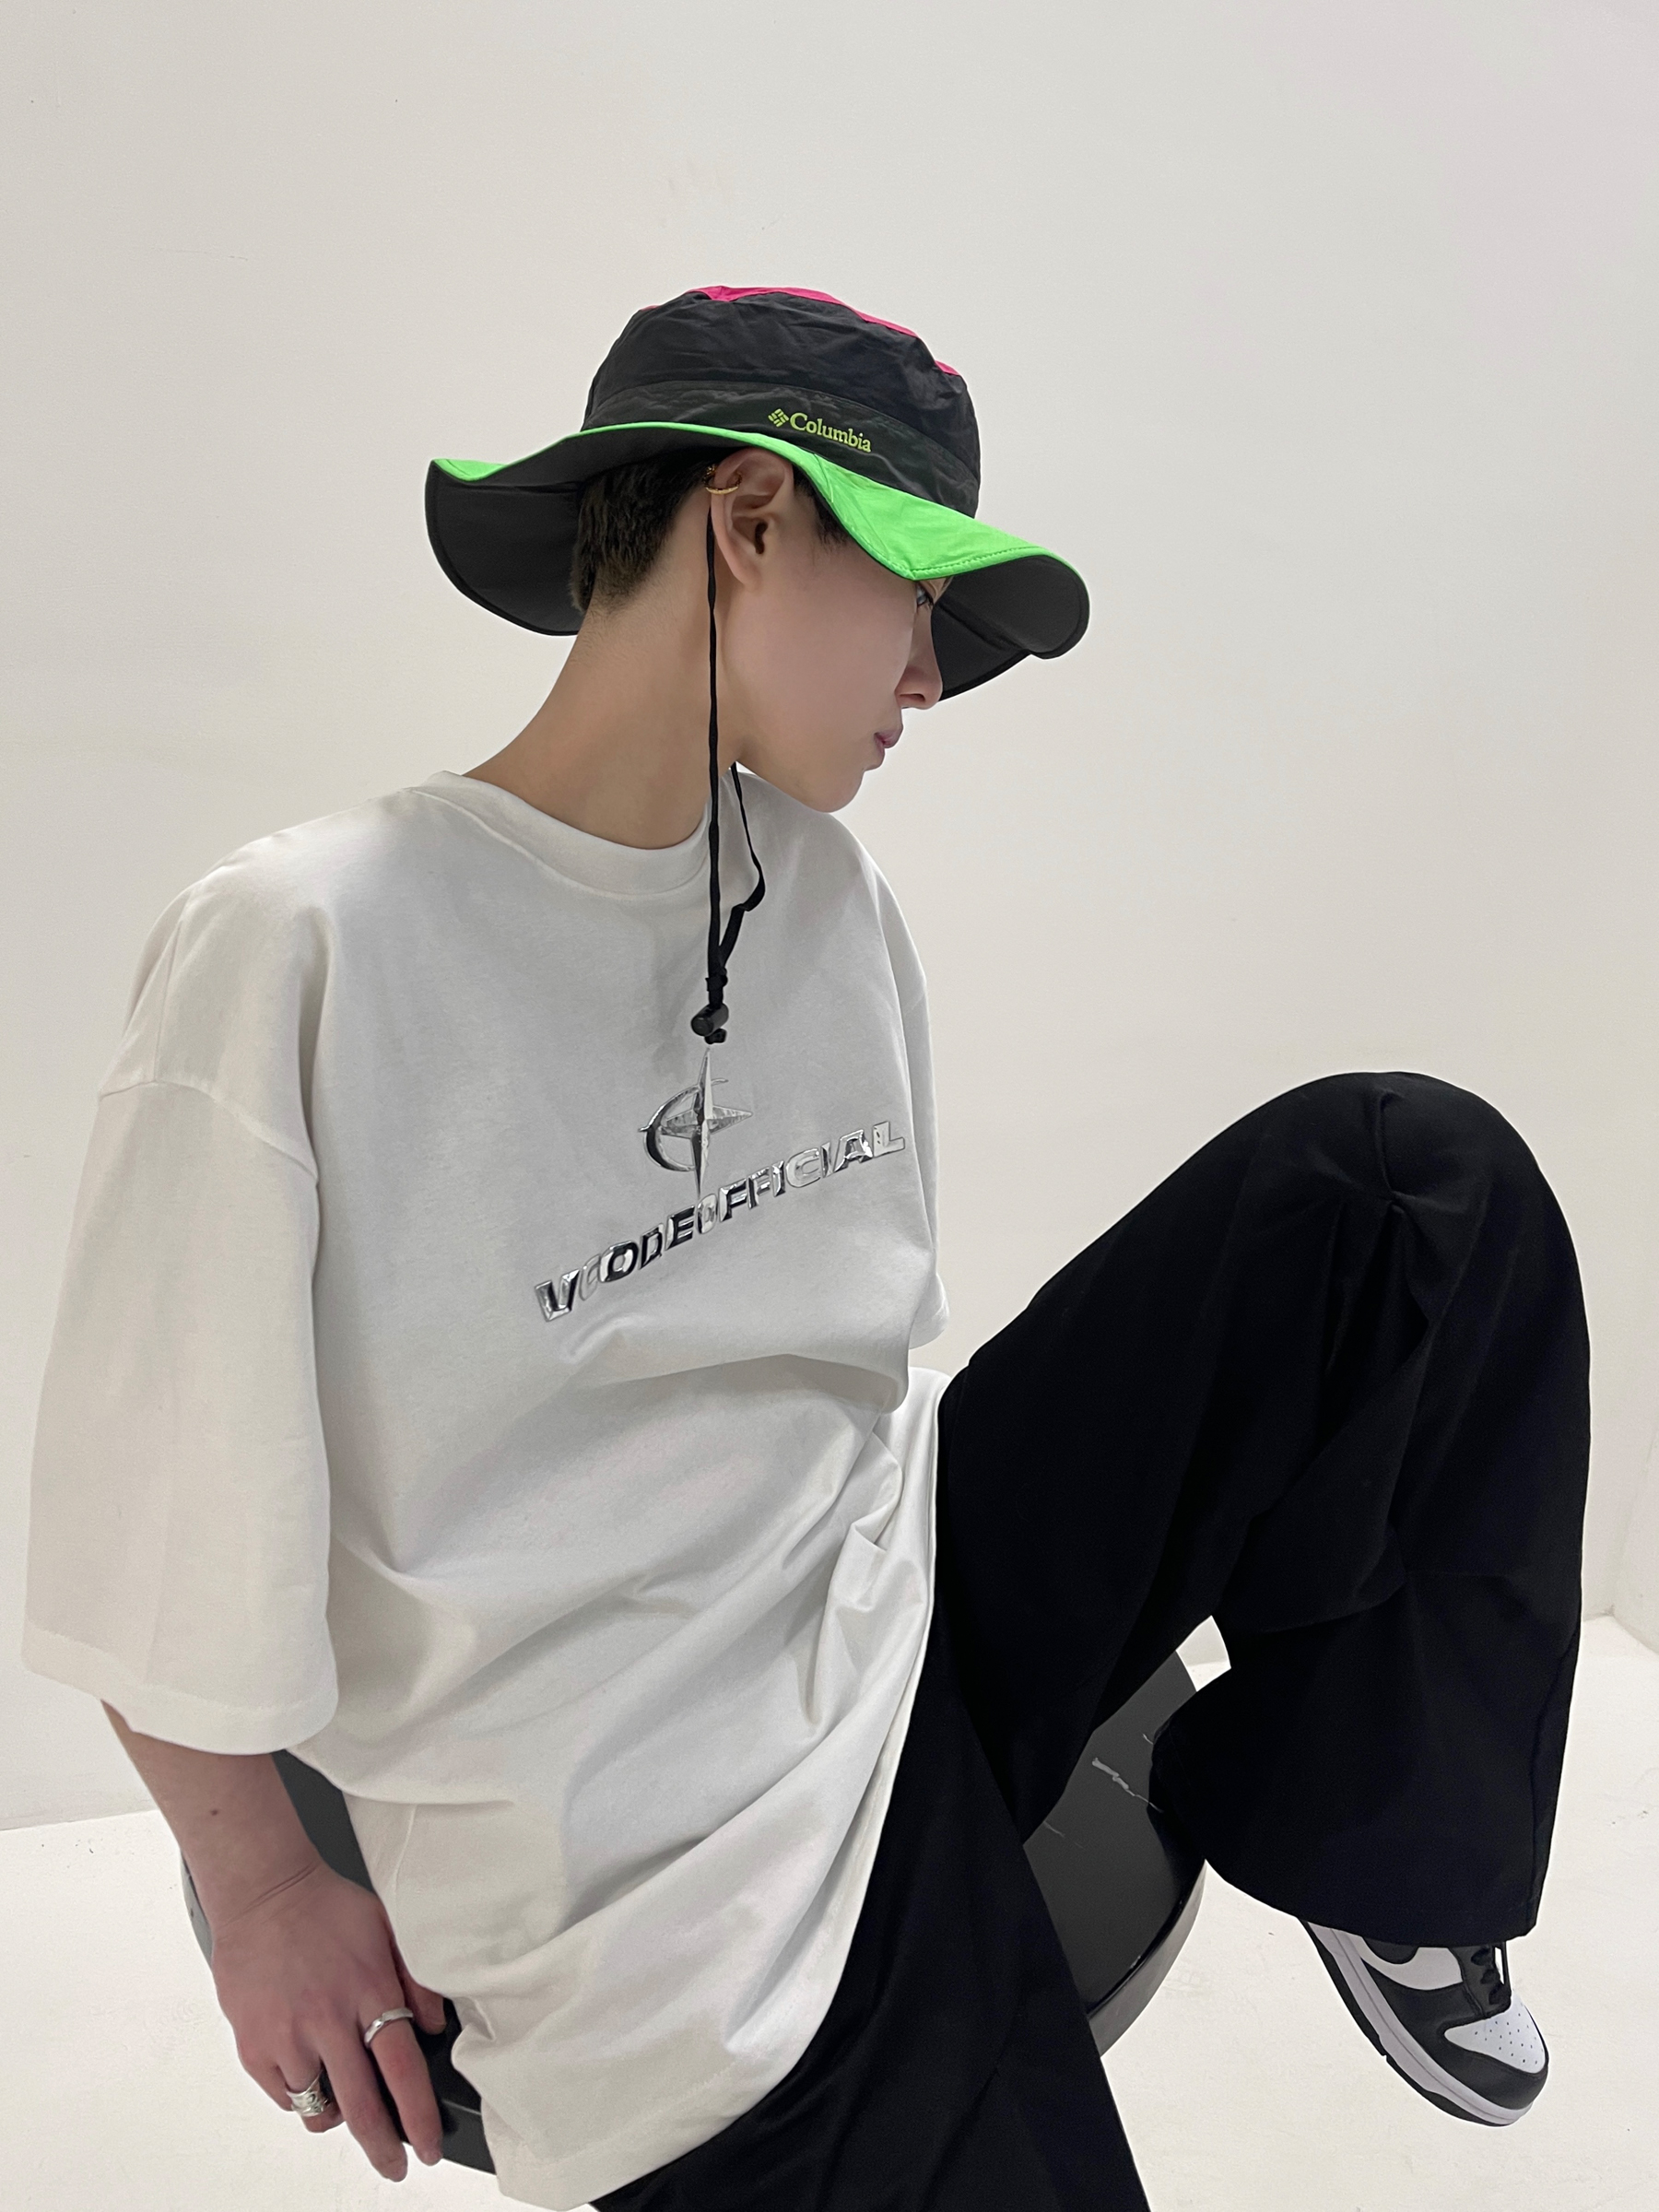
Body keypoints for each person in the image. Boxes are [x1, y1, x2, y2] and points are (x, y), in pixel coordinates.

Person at [23, 286, 1590, 2212]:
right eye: (916, 593)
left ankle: (1375, 1845)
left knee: (1403, 1188)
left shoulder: (826, 894)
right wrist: (263, 1887)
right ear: (751, 521)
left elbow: (863, 1361)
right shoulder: (309, 941)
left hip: (890, 1602)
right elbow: (145, 1509)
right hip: (665, 1867)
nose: (929, 674)